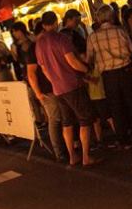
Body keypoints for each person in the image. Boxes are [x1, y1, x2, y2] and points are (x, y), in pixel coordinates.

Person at [35, 11, 99, 167]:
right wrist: (86, 70)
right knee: (84, 120)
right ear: (56, 22)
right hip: (72, 85)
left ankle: (72, 156)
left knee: (67, 122)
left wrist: (54, 80)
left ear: (43, 25)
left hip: (57, 89)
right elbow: (72, 62)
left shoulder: (39, 43)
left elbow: (43, 69)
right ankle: (85, 156)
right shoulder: (61, 39)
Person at [86, 4, 132, 148]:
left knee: (116, 106)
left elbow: (89, 59)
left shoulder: (93, 37)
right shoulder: (120, 31)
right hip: (124, 70)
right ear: (111, 16)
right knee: (131, 102)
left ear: (99, 19)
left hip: (108, 75)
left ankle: (122, 138)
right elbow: (131, 49)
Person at [15, 21, 65, 161]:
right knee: (54, 119)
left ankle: (64, 148)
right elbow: (31, 73)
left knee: (59, 117)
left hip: (54, 86)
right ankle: (59, 151)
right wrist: (38, 93)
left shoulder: (39, 46)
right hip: (46, 89)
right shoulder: (33, 49)